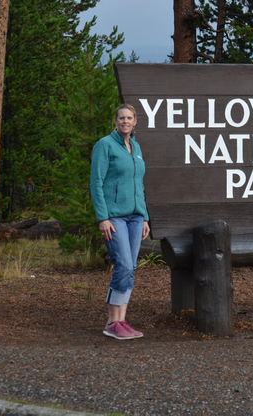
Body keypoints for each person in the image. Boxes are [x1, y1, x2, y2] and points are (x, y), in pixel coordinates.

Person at [90, 103, 150, 339]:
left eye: (129, 118)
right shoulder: (105, 145)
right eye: (121, 118)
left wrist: (144, 216)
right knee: (123, 265)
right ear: (115, 121)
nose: (125, 121)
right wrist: (102, 218)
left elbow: (139, 184)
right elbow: (96, 183)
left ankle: (122, 321)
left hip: (136, 218)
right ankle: (111, 322)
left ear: (135, 122)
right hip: (114, 217)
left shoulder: (135, 147)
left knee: (131, 268)